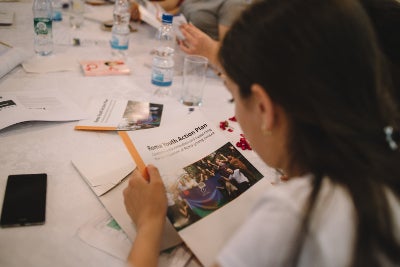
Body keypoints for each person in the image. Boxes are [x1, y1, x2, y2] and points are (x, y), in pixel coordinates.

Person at [123, 0, 400, 267]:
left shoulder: (293, 214)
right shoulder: (380, 166)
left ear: (264, 108)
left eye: (233, 99)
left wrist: (149, 221)